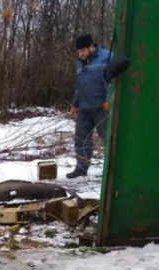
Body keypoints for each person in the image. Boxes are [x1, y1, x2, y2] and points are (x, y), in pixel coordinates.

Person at [67, 34, 111, 178]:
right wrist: (75, 103)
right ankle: (81, 168)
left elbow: (113, 82)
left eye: (83, 51)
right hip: (84, 108)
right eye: (79, 52)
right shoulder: (80, 62)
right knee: (81, 139)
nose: (81, 54)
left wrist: (108, 100)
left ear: (92, 46)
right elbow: (79, 85)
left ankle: (110, 170)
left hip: (102, 107)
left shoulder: (107, 57)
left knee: (108, 138)